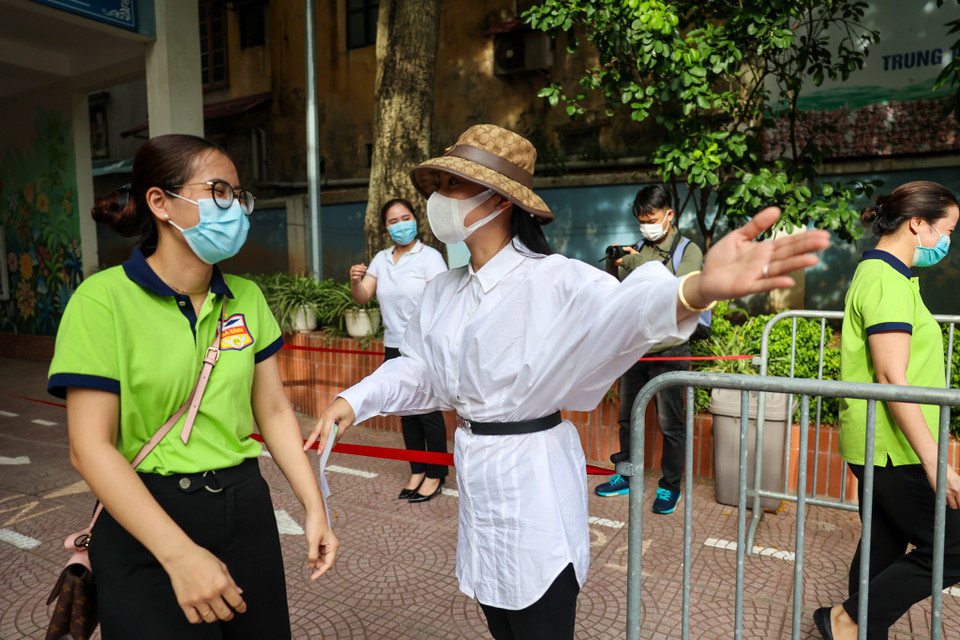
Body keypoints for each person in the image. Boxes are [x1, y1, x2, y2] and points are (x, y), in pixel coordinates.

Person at [304, 124, 829, 640]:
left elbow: (629, 308)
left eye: (451, 186)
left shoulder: (553, 279)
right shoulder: (444, 289)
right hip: (478, 478)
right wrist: (354, 400)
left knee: (540, 615)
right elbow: (421, 368)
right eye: (438, 187)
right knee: (499, 619)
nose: (437, 200)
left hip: (534, 477)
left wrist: (692, 290)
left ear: (500, 199)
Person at [47, 134, 338, 639]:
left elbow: (272, 412)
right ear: (160, 202)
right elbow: (88, 447)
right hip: (147, 516)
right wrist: (179, 555)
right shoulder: (101, 301)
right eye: (219, 190)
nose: (236, 208)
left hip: (245, 507)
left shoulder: (244, 296)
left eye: (239, 195)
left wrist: (315, 507)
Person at [814, 180, 960, 640]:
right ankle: (848, 620)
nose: (948, 241)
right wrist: (937, 462)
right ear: (918, 223)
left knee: (886, 542)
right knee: (954, 547)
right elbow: (893, 377)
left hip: (881, 443)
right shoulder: (886, 280)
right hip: (893, 447)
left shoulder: (882, 274)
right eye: (947, 229)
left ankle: (855, 626)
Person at [595, 184, 704, 514]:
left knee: (671, 424)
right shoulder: (637, 247)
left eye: (651, 218)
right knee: (628, 418)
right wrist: (615, 263)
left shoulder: (689, 251)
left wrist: (636, 261)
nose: (646, 225)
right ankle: (626, 475)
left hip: (672, 347)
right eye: (641, 220)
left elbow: (677, 290)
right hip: (637, 346)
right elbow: (620, 293)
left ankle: (670, 487)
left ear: (669, 215)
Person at [349, 198, 449, 502]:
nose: (401, 225)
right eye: (393, 221)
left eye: (405, 218)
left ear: (416, 221)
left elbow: (443, 301)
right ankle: (417, 470)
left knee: (429, 413)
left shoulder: (429, 257)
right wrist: (355, 280)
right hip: (394, 346)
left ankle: (436, 474)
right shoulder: (381, 259)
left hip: (424, 348)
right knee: (406, 412)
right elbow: (363, 297)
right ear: (385, 227)